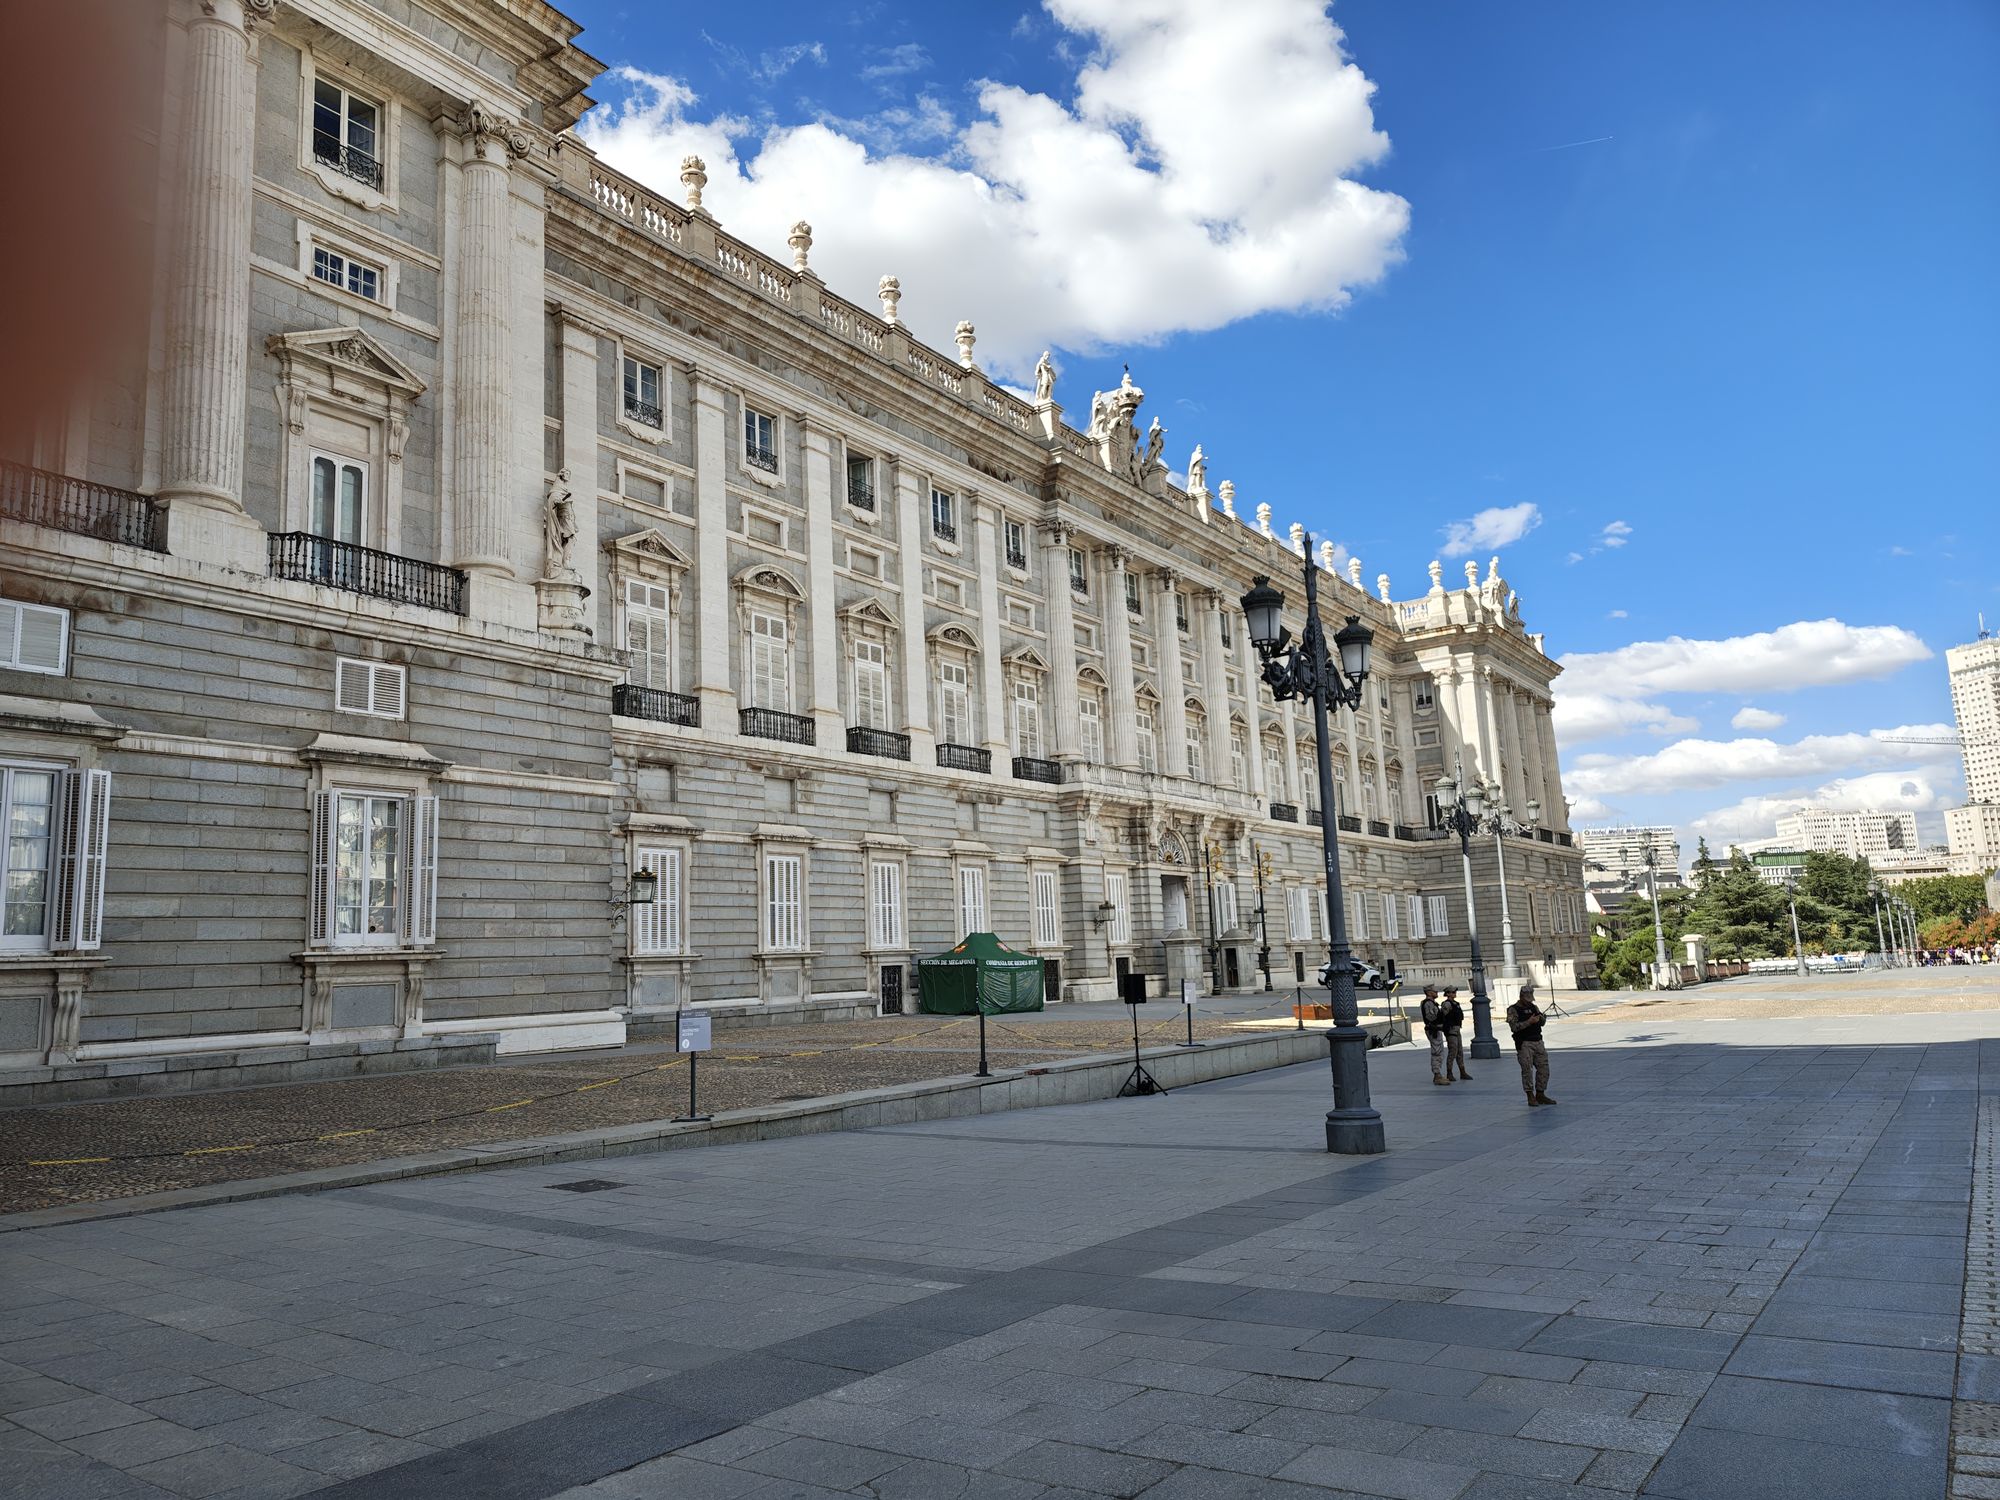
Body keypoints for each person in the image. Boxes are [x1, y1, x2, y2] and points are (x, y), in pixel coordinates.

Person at [1505, 988, 1555, 1107]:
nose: (1529, 1002)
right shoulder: (1513, 1009)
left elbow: (1541, 1023)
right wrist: (1529, 1022)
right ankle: (1530, 1095)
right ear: (1521, 996)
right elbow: (1514, 1027)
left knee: (1544, 1069)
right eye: (1526, 999)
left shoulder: (1534, 1007)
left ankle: (1540, 1093)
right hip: (1524, 1043)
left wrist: (1542, 1018)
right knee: (1527, 1070)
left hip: (1538, 1041)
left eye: (1530, 999)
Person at [1419, 984, 1450, 1086]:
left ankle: (1438, 1074)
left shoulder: (1432, 1003)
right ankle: (1437, 1075)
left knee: (1439, 1051)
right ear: (1429, 992)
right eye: (1434, 991)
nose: (1436, 993)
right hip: (1434, 1030)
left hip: (1436, 1029)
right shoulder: (1428, 1004)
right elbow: (1431, 1018)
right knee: (1436, 1052)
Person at [1440, 985, 1470, 1081]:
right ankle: (1449, 1072)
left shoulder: (1456, 1004)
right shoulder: (1446, 1004)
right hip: (1451, 1030)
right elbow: (1443, 1017)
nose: (1454, 994)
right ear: (1447, 994)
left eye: (1454, 992)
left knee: (1460, 1051)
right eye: (1452, 992)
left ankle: (1462, 1072)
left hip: (1457, 1029)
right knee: (1453, 1051)